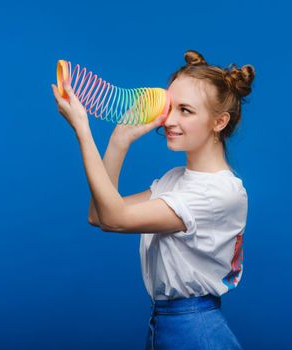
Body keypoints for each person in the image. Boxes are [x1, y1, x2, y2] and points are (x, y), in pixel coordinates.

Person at [51, 49, 255, 349]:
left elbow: (114, 219)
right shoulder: (175, 180)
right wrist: (119, 140)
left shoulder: (218, 193)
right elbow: (98, 214)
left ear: (219, 121)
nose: (168, 120)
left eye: (186, 110)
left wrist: (83, 131)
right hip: (166, 323)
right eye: (170, 107)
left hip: (195, 330)